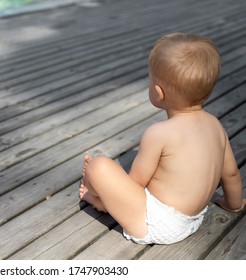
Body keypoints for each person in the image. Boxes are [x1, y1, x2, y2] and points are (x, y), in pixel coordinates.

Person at [79, 33, 245, 244]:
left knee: (99, 166)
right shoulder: (215, 124)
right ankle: (101, 195)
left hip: (156, 223)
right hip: (193, 220)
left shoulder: (158, 133)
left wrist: (103, 186)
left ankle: (100, 201)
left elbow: (135, 184)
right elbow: (231, 174)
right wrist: (233, 204)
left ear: (158, 93)